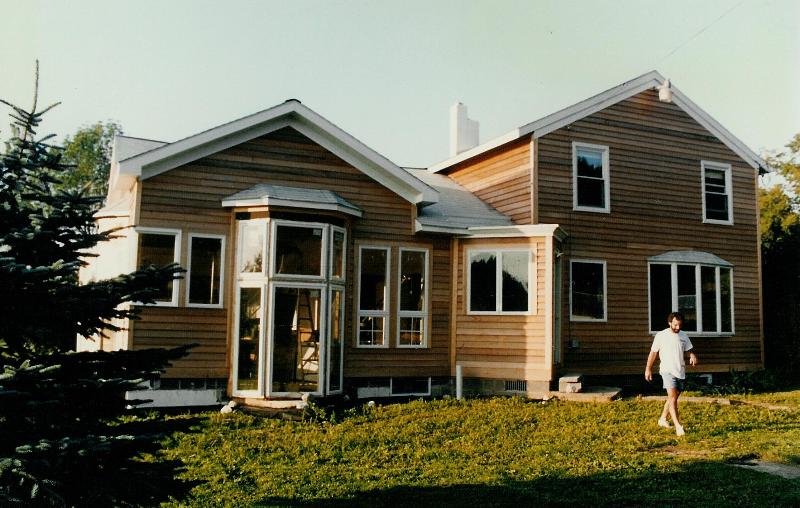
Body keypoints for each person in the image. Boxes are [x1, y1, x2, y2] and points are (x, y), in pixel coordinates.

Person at [645, 311, 698, 436]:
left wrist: (692, 355)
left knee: (672, 398)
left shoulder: (684, 335)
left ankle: (662, 419)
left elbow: (689, 349)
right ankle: (678, 426)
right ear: (669, 322)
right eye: (675, 325)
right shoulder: (661, 335)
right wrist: (648, 368)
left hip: (680, 370)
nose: (677, 327)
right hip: (667, 371)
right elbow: (653, 353)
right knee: (673, 398)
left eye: (680, 325)